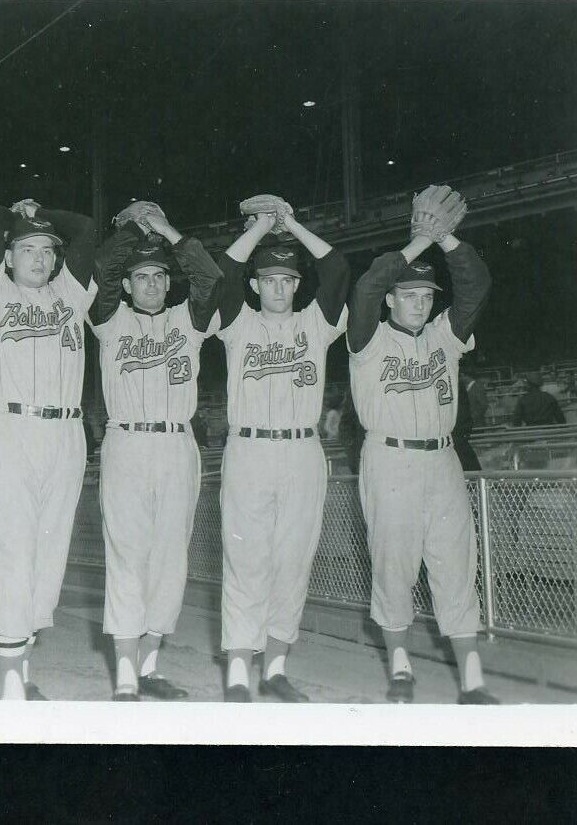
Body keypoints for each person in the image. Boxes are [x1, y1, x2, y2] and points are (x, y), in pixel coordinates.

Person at [348, 184, 497, 705]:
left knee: (458, 563)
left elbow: (476, 286)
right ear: (393, 299)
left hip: (442, 459)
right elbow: (365, 288)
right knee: (394, 565)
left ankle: (472, 679)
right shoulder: (366, 337)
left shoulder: (443, 334)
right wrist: (418, 242)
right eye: (408, 294)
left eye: (426, 296)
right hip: (389, 458)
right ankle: (400, 666)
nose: (418, 303)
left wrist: (447, 240)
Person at [212, 204, 350, 702]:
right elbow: (223, 272)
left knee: (293, 561)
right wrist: (260, 229)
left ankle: (274, 669)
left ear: (297, 285)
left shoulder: (318, 323)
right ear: (256, 286)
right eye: (268, 279)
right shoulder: (236, 323)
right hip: (249, 448)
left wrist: (290, 225)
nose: (278, 287)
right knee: (245, 558)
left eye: (287, 279)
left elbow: (336, 269)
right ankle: (236, 672)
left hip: (302, 451)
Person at [0, 197, 96, 700]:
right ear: (8, 257)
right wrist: (18, 214)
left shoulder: (71, 295)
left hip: (65, 434)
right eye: (27, 248)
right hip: (9, 427)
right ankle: (10, 684)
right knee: (11, 552)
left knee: (46, 558)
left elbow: (83, 225)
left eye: (47, 249)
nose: (39, 258)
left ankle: (20, 667)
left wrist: (44, 215)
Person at [88, 204, 222, 702]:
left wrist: (166, 230)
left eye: (158, 276)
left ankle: (150, 665)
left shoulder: (189, 321)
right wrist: (131, 228)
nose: (149, 284)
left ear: (169, 282)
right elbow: (100, 271)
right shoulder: (107, 318)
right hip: (127, 440)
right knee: (127, 552)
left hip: (177, 443)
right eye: (140, 276)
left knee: (170, 556)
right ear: (128, 285)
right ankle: (125, 670)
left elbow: (210, 277)